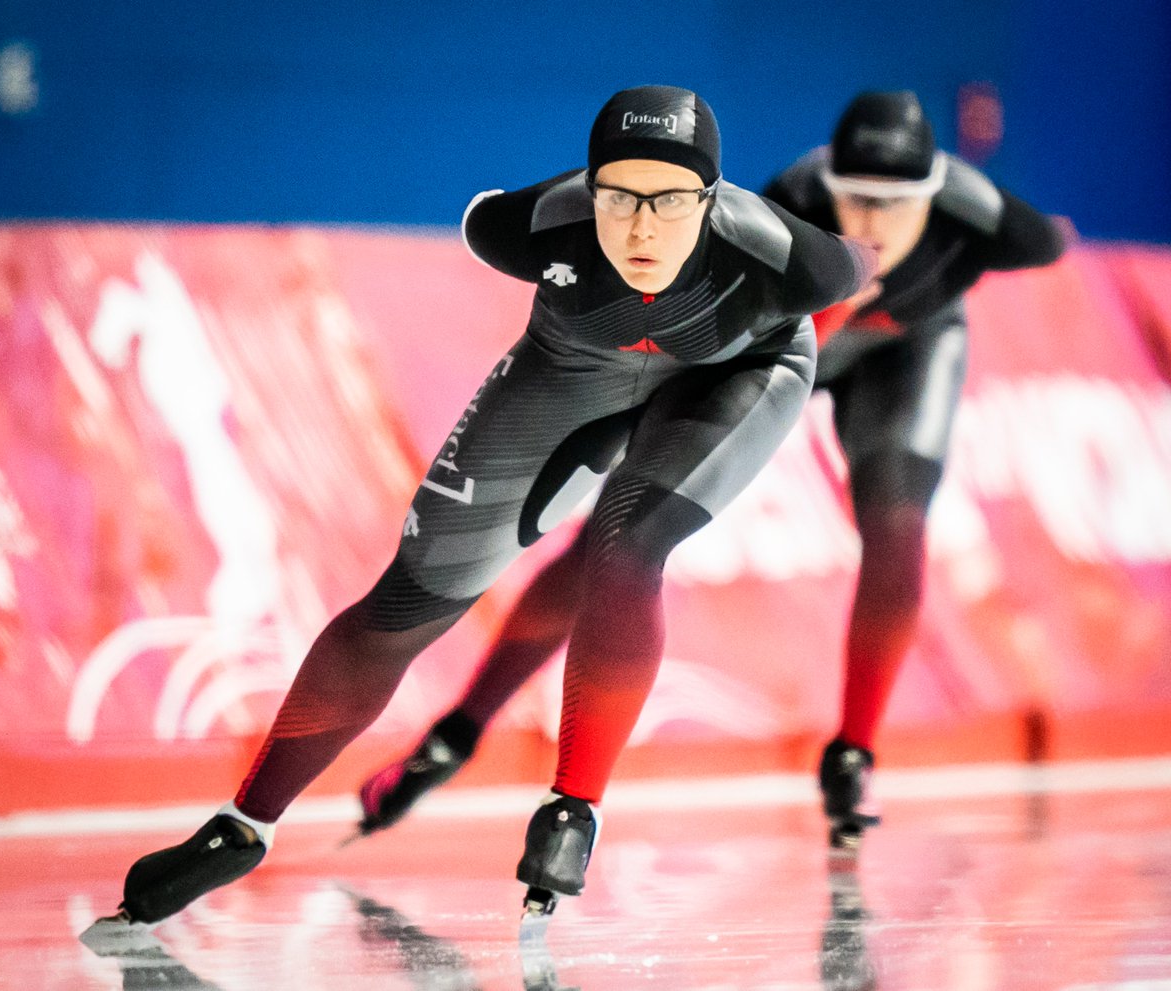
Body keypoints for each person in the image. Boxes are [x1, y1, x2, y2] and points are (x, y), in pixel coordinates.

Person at [103, 84, 874, 928]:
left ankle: (572, 808)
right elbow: (482, 214)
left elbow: (850, 279)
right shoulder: (528, 226)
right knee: (410, 594)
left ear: (712, 198)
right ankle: (243, 825)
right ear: (590, 189)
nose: (642, 227)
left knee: (625, 542)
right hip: (573, 367)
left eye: (671, 200)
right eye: (619, 197)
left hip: (739, 370)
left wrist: (793, 372)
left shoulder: (791, 259)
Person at [355, 90, 1067, 852]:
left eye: (897, 204)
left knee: (897, 521)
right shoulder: (794, 203)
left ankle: (853, 751)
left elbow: (1052, 243)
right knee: (615, 535)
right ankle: (458, 731)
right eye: (853, 197)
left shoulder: (983, 220)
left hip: (907, 354)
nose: (871, 222)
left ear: (939, 194)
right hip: (786, 345)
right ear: (824, 185)